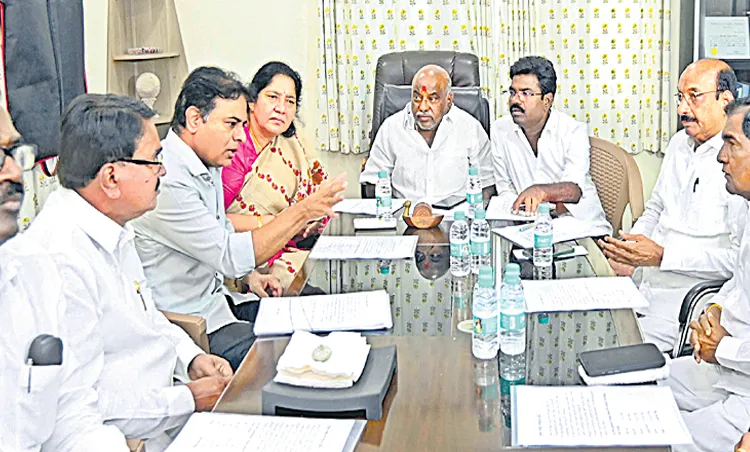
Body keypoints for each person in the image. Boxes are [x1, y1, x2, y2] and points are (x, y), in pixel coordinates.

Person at [20, 94, 234, 452]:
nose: (162, 172)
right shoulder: (60, 261)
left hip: (169, 413)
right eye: (154, 160)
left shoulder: (113, 226)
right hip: (135, 448)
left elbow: (149, 317)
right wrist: (189, 398)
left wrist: (193, 358)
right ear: (112, 177)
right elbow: (80, 412)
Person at [133, 67, 346, 370]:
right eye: (231, 125)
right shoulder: (169, 180)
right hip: (193, 324)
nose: (239, 137)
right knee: (295, 354)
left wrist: (250, 278)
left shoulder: (209, 162)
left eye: (241, 126)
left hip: (223, 300)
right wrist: (302, 212)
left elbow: (219, 235)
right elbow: (229, 256)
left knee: (325, 311)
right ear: (195, 119)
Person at [0, 105, 145, 452]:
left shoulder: (31, 270)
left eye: (14, 153)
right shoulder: (61, 249)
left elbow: (69, 416)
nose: (15, 172)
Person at [599, 59, 747, 352]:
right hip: (644, 280)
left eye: (694, 96)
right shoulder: (680, 143)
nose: (682, 109)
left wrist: (664, 257)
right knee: (590, 329)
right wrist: (630, 249)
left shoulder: (740, 167)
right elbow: (656, 208)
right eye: (680, 97)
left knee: (616, 356)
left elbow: (736, 261)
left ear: (725, 100)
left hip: (685, 298)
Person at [660, 95, 750, 452]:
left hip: (743, 391)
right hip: (723, 368)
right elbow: (738, 282)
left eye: (732, 145)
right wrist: (713, 310)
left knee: (657, 446)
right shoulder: (747, 208)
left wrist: (722, 348)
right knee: (643, 387)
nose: (720, 157)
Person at [222, 61, 328, 290]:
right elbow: (214, 221)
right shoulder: (234, 147)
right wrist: (273, 223)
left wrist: (312, 221)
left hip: (293, 247)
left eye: (289, 101)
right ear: (252, 102)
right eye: (272, 97)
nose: (281, 108)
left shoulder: (295, 142)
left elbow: (317, 197)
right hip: (246, 258)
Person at [491, 56, 611, 236]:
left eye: (526, 93)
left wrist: (541, 192)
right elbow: (505, 188)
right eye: (512, 92)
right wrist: (522, 209)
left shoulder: (572, 131)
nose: (516, 100)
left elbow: (574, 190)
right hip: (526, 229)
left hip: (580, 228)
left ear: (547, 100)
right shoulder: (500, 130)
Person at [360, 64, 495, 202]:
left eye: (433, 98)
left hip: (456, 219)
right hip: (405, 217)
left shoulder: (470, 128)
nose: (423, 107)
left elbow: (487, 184)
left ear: (449, 100)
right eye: (417, 98)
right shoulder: (391, 128)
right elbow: (372, 182)